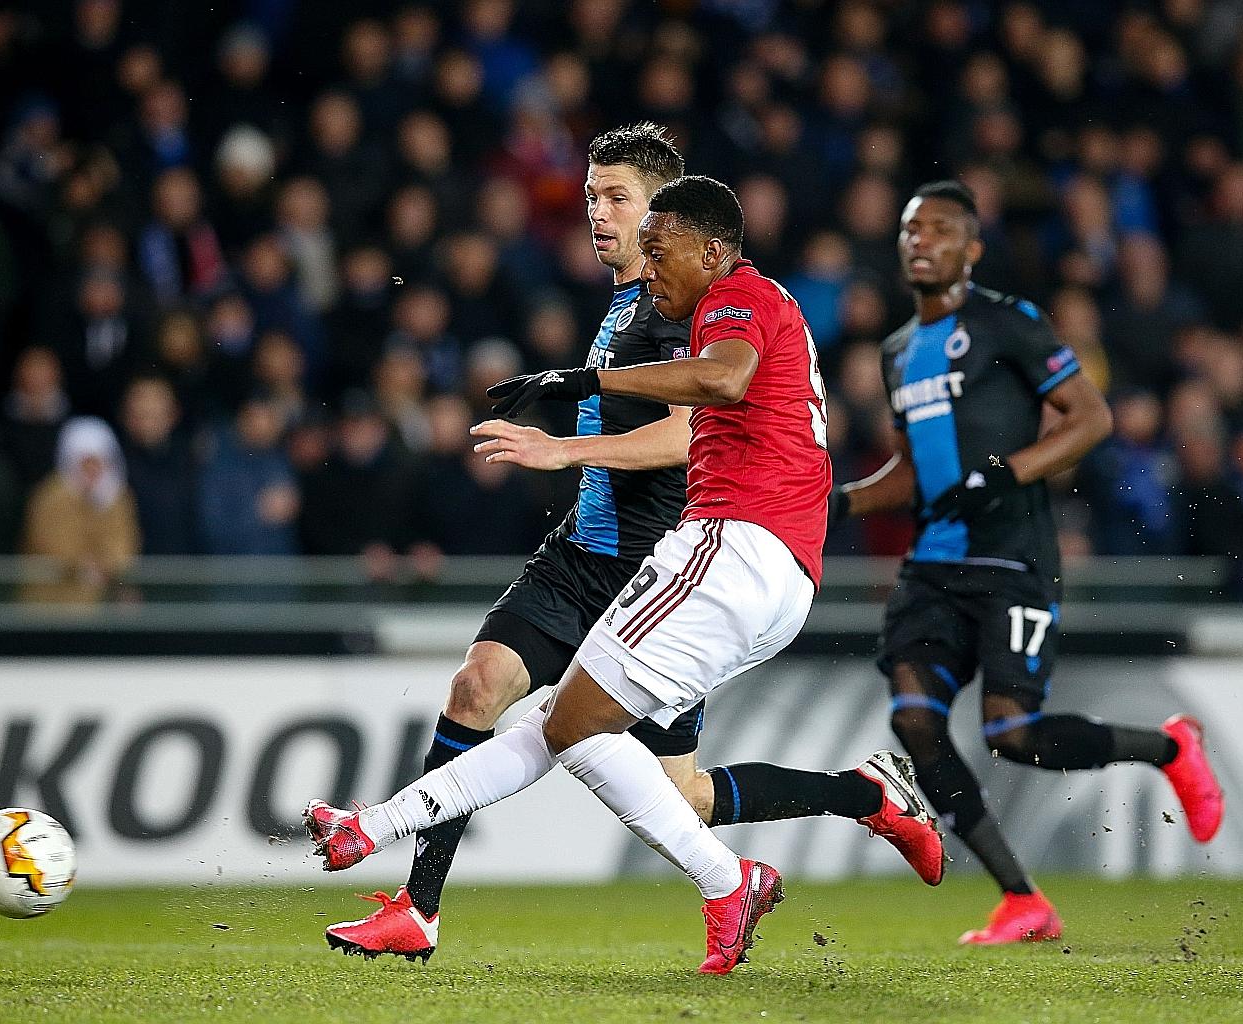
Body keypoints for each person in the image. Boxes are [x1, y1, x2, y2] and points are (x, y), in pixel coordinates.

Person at [305, 127, 941, 968]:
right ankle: (415, 903)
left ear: (668, 217)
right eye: (591, 200)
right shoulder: (638, 304)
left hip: (673, 561)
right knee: (482, 686)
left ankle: (842, 805)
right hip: (590, 554)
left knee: (671, 790)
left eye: (621, 203)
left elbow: (696, 417)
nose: (604, 220)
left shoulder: (705, 303)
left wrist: (566, 441)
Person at [828, 181, 1225, 945]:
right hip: (934, 563)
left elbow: (1091, 416)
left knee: (1014, 734)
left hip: (1013, 558)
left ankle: (1172, 748)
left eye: (940, 229)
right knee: (914, 720)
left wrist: (1009, 471)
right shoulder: (897, 350)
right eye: (912, 229)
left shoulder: (1007, 323)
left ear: (971, 249)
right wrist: (840, 503)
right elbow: (912, 471)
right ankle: (1022, 899)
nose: (921, 240)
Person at [19, 416, 139, 604]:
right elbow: (52, 545)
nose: (92, 470)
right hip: (53, 602)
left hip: (101, 603)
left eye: (98, 461)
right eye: (85, 462)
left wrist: (107, 564)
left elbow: (124, 542)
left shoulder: (116, 497)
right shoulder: (51, 496)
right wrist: (83, 565)